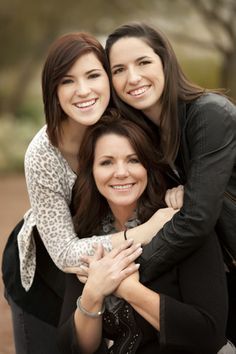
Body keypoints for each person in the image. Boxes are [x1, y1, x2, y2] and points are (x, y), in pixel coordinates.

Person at [2, 32, 176, 354]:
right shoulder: (42, 154)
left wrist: (179, 190)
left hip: (100, 262)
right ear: (53, 90)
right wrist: (146, 232)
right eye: (68, 81)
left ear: (109, 79)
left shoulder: (126, 125)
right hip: (45, 269)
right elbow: (66, 253)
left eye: (94, 75)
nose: (83, 91)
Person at [104, 22, 236, 345]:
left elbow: (196, 218)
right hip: (218, 275)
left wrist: (128, 272)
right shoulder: (146, 137)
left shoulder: (209, 115)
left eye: (143, 62)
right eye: (119, 69)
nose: (132, 78)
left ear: (165, 61)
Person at [58, 110, 229, 354]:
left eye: (133, 159)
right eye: (107, 162)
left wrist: (127, 288)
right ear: (91, 172)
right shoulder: (89, 237)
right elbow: (71, 348)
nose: (121, 172)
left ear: (148, 165)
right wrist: (93, 293)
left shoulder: (181, 223)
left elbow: (207, 335)